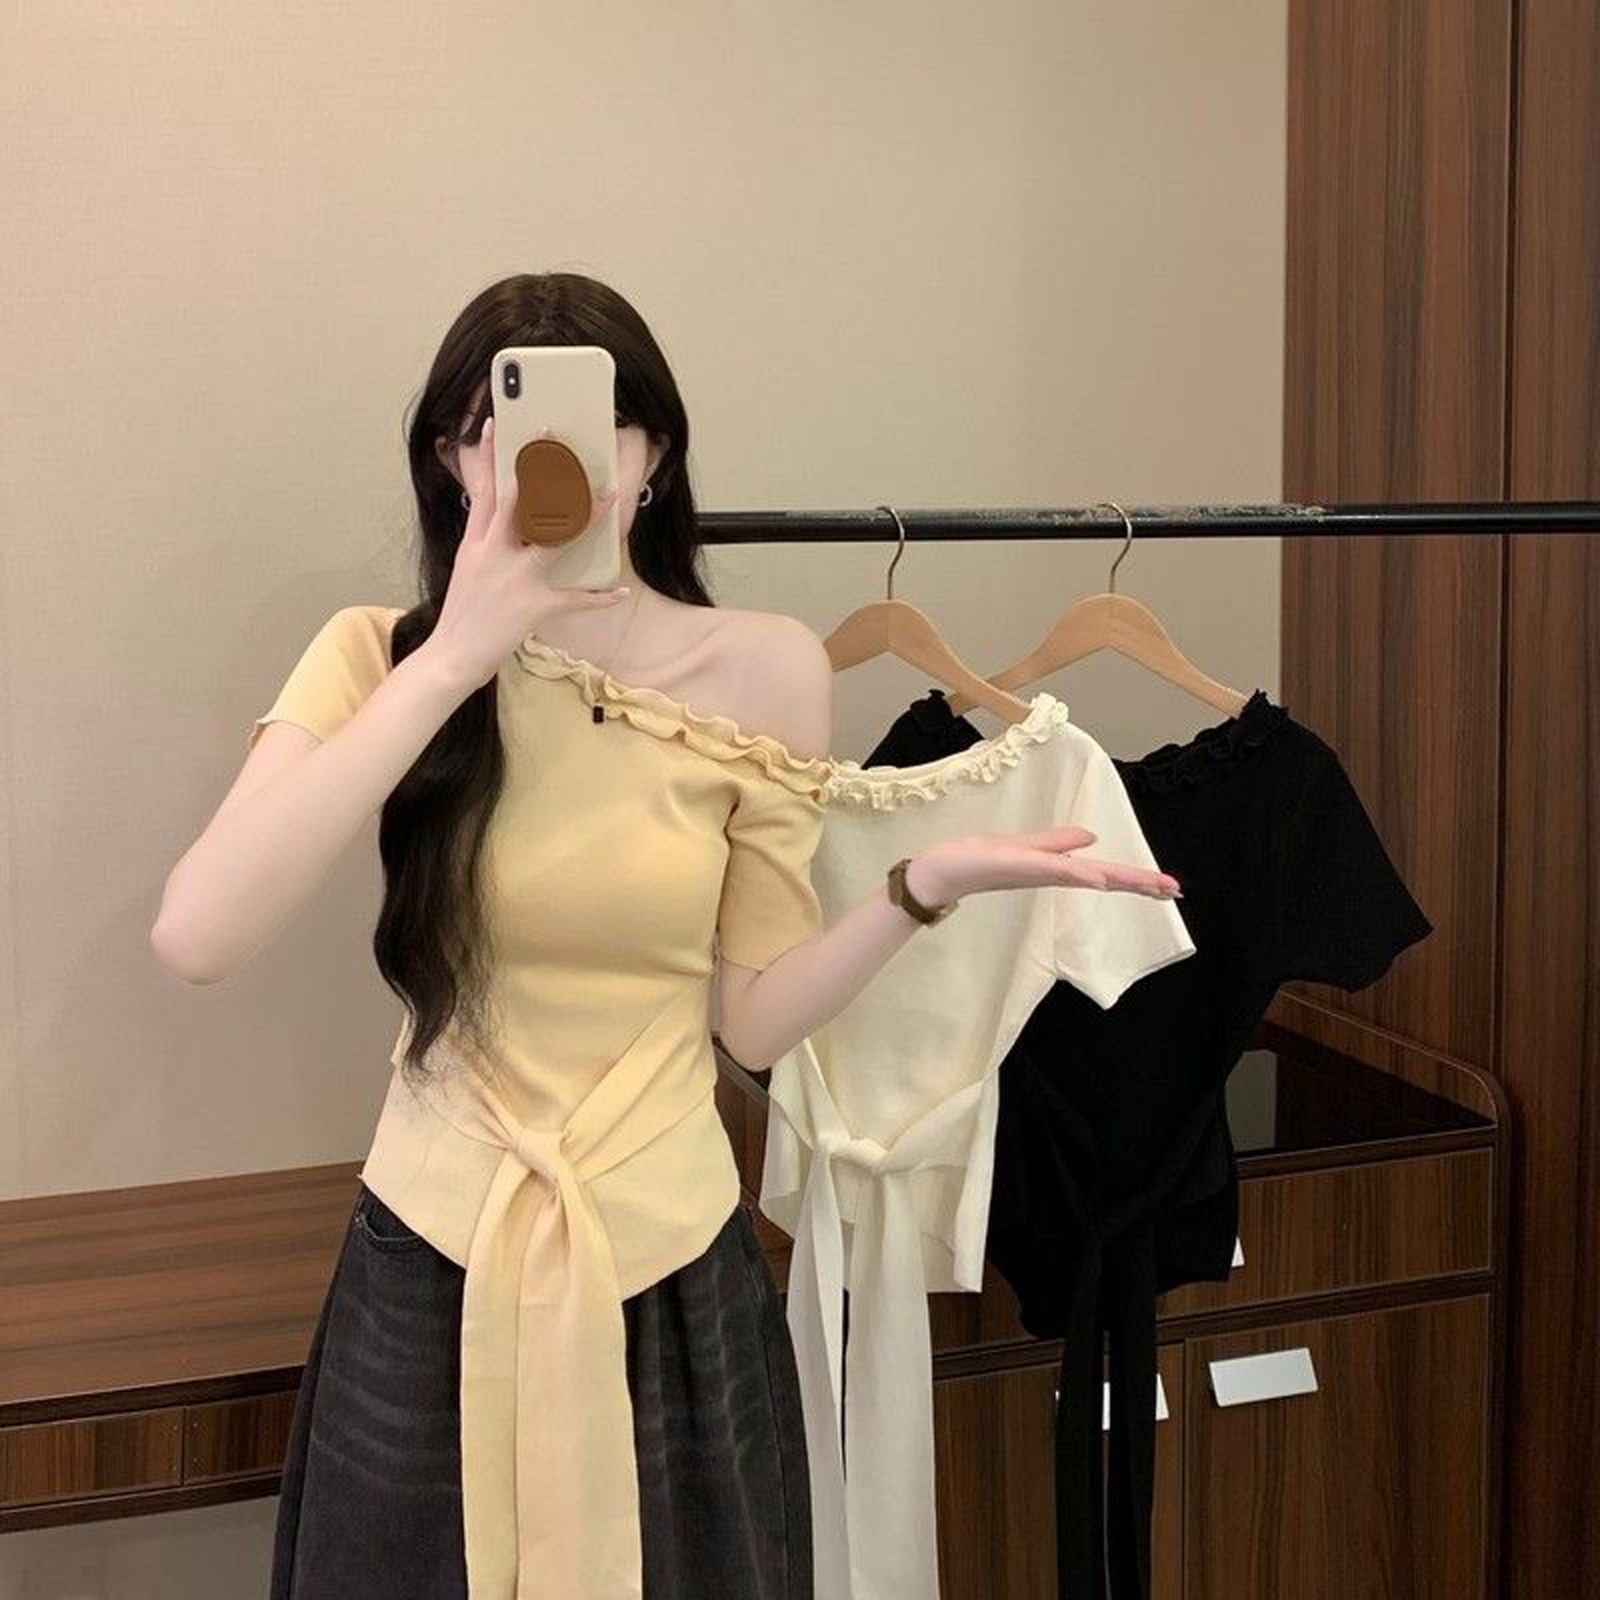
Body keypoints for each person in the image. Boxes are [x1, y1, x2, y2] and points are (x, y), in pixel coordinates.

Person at [151, 270, 1182, 1600]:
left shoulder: (763, 668)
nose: (541, 464)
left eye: (593, 426)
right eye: (491, 431)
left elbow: (751, 1015)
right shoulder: (376, 655)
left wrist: (914, 889)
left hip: (672, 1259)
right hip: (431, 1255)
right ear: (452, 463)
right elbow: (199, 934)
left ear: (652, 456)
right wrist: (454, 661)